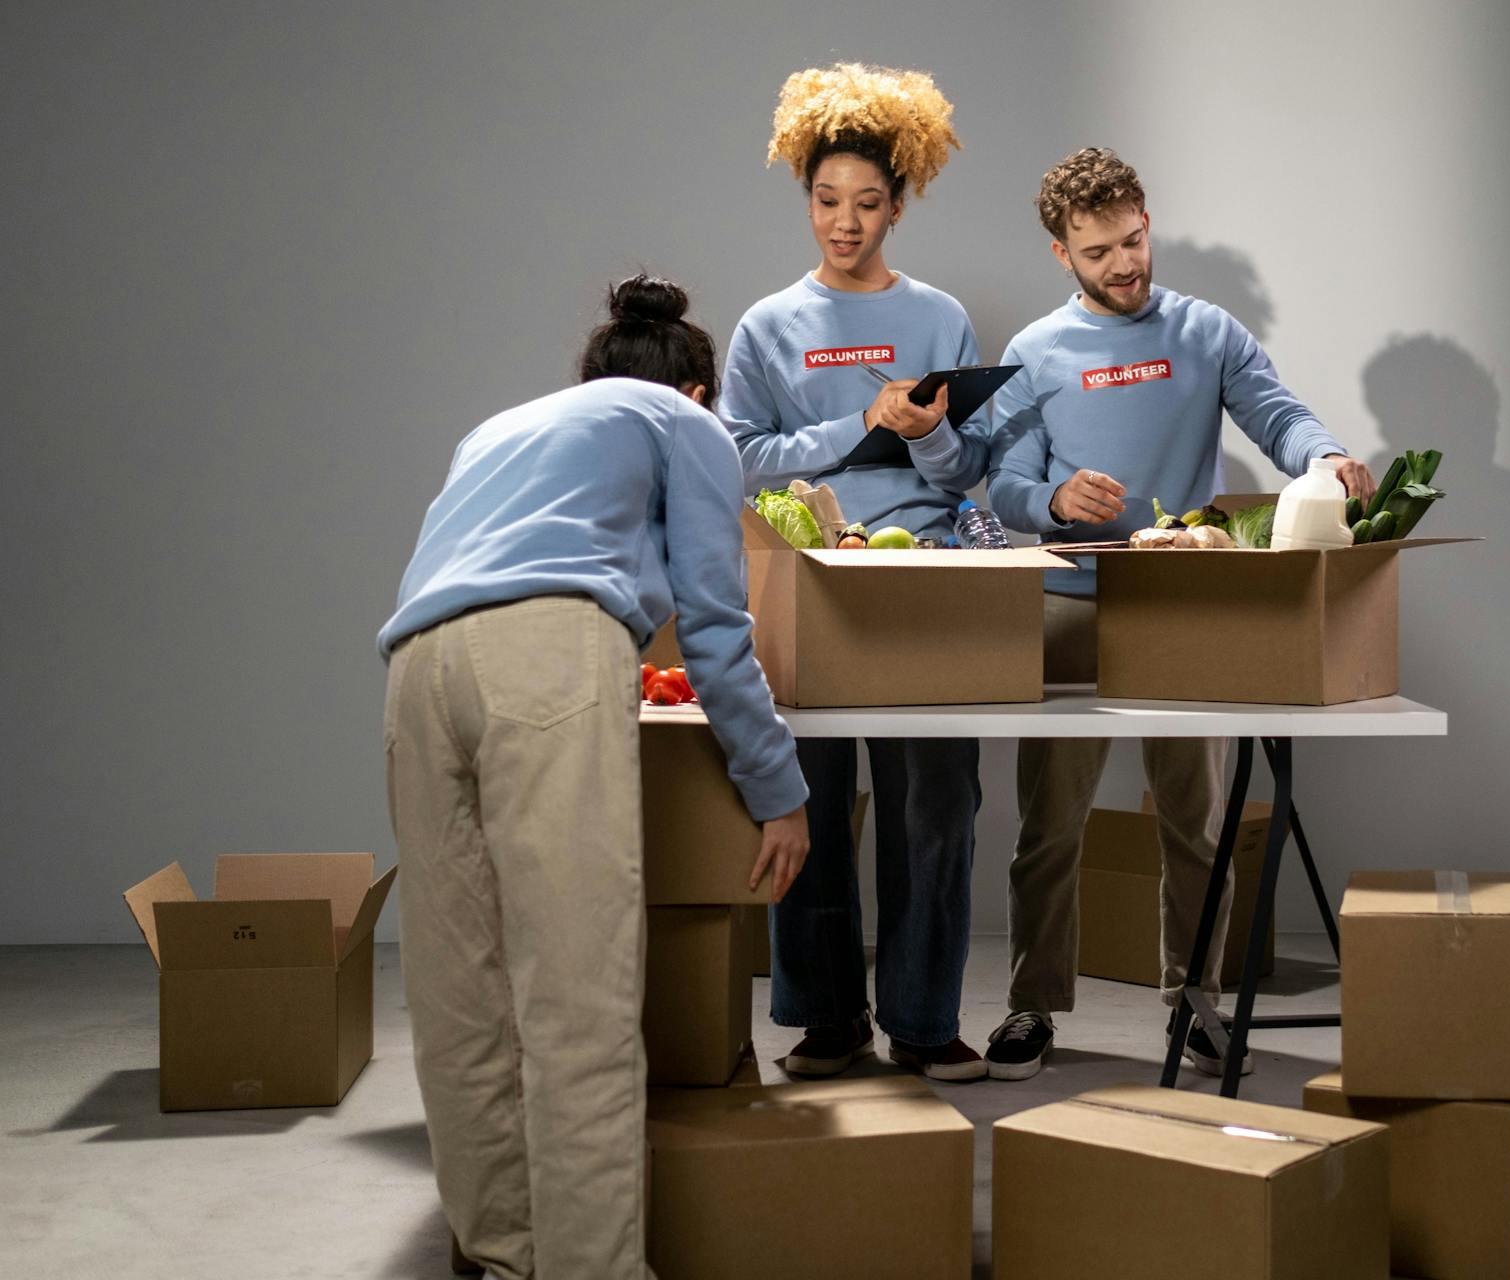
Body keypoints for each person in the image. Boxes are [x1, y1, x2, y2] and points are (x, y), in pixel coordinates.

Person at [378, 274, 809, 1280]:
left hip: (415, 668)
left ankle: (501, 1249)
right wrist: (777, 787)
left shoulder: (495, 431)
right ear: (699, 387)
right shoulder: (687, 422)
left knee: (460, 991)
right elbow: (711, 624)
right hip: (547, 657)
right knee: (580, 991)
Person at [981, 148, 1376, 1081]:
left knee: (1196, 822)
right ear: (1060, 254)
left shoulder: (1206, 332)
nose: (1123, 265)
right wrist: (1052, 500)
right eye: (1098, 252)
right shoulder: (1034, 353)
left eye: (1132, 240)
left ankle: (1192, 1006)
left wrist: (1327, 459)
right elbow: (1003, 483)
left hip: (1182, 607)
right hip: (1069, 602)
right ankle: (1033, 1006)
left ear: (1146, 223)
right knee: (1051, 824)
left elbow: (1279, 416)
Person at [719, 62, 989, 1082]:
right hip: (809, 582)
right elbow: (738, 455)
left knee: (936, 808)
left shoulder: (941, 317)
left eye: (868, 203)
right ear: (807, 199)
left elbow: (972, 468)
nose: (846, 222)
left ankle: (924, 1019)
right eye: (829, 201)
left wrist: (923, 439)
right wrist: (860, 421)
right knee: (813, 801)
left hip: (924, 580)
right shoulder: (767, 326)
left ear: (899, 205)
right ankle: (828, 1015)